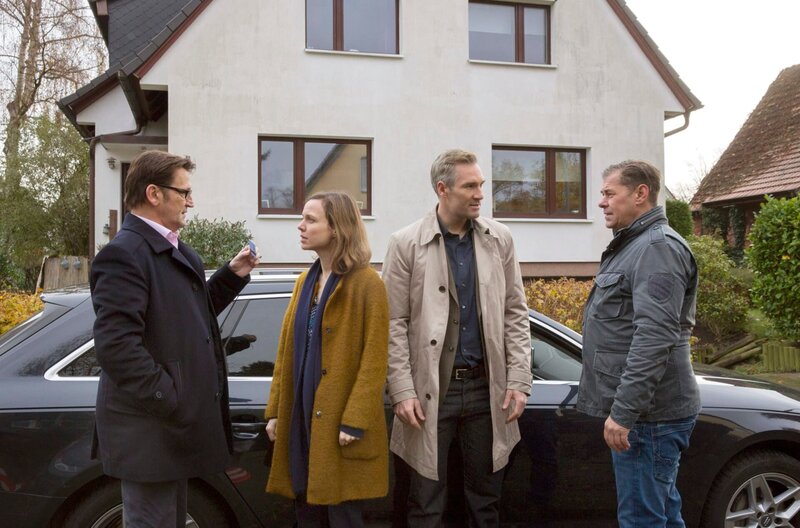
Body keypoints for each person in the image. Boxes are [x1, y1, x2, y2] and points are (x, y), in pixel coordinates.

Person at [90, 150, 259, 527]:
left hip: (167, 434)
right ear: (154, 193)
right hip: (149, 434)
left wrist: (231, 276)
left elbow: (188, 318)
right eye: (183, 192)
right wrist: (171, 397)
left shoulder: (175, 251)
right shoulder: (125, 254)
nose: (190, 201)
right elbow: (116, 347)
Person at [383, 149, 532, 527]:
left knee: (484, 503)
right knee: (426, 504)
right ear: (442, 189)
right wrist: (401, 390)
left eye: (481, 185)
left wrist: (518, 380)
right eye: (470, 186)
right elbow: (392, 323)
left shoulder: (500, 239)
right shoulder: (405, 243)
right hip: (430, 393)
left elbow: (516, 312)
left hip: (488, 390)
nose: (481, 193)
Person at [577, 160, 701, 527]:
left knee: (642, 520)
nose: (602, 202)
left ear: (640, 194)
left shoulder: (655, 249)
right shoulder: (636, 245)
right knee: (660, 513)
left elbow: (655, 336)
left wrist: (625, 412)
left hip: (650, 417)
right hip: (650, 415)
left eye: (609, 193)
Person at [264, 191, 389, 528]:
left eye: (310, 219)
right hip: (301, 417)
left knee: (343, 516)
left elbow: (375, 359)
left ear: (337, 228)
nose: (300, 226)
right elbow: (284, 351)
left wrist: (354, 420)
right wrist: (276, 410)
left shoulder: (367, 284)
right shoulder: (305, 281)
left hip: (340, 424)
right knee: (306, 511)